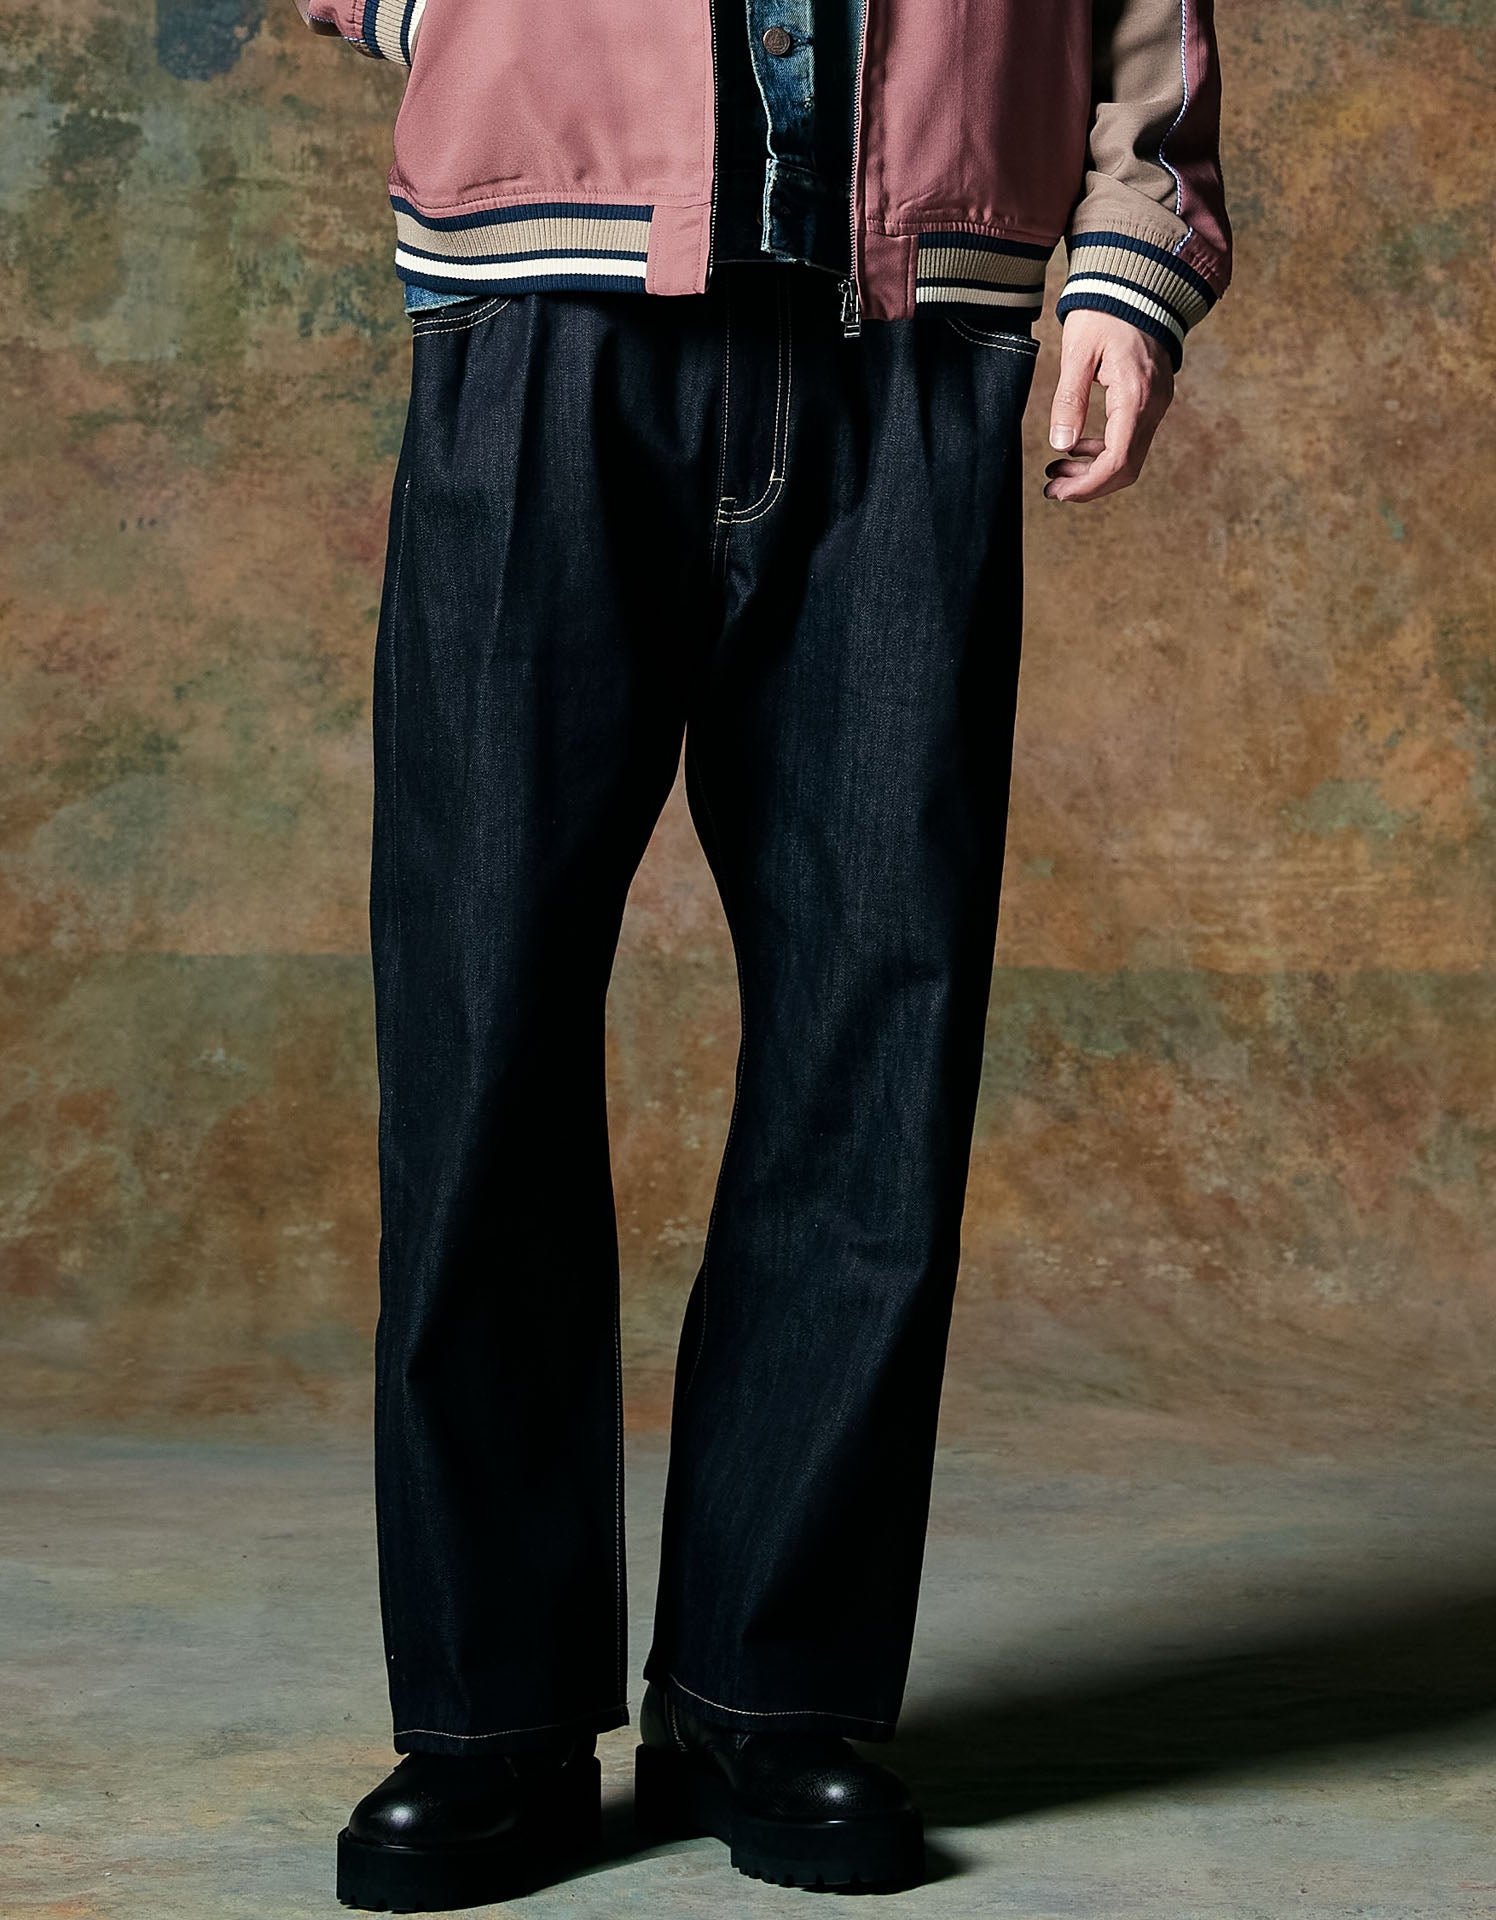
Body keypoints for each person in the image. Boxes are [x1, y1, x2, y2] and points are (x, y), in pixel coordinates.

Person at [292, 0, 1230, 1909]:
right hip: (542, 318)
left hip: (916, 335)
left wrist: (1130, 260)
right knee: (480, 1024)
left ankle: (767, 1691)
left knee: (877, 1034)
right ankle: (491, 1715)